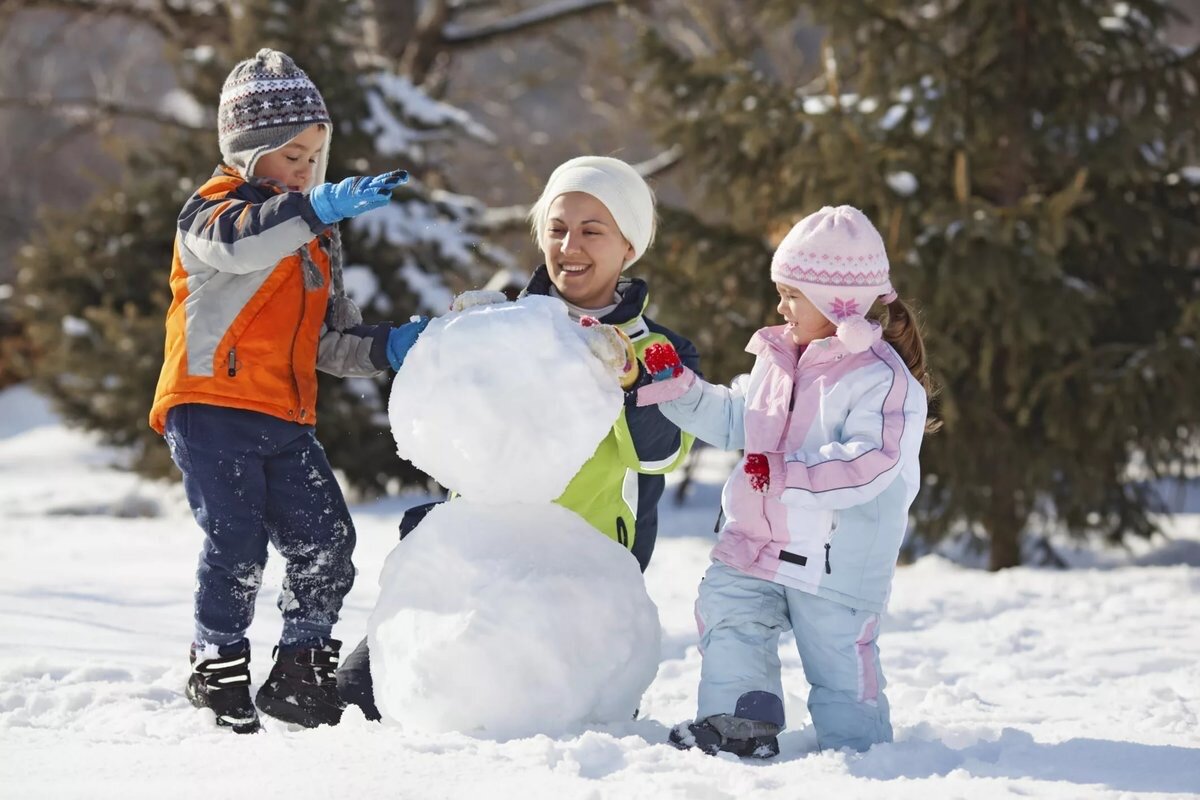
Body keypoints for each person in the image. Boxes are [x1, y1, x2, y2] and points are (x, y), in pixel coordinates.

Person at [336, 155, 701, 721]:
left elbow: (661, 455)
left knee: (546, 718)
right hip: (477, 560)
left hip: (580, 573)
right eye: (556, 230)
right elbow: (445, 427)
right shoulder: (505, 323)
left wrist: (631, 380)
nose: (569, 246)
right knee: (361, 696)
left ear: (629, 246)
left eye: (591, 231)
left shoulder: (661, 350)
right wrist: (455, 346)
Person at [148, 49, 428, 734]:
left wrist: (395, 346)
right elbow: (243, 246)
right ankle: (217, 662)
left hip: (285, 414)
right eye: (289, 156)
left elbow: (331, 341)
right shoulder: (211, 213)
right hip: (211, 406)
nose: (305, 172)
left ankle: (302, 667)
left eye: (314, 159)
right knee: (237, 542)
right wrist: (316, 207)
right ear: (247, 154)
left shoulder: (314, 239)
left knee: (328, 541)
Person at [637, 205, 934, 757]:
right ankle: (738, 721)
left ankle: (865, 754)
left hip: (835, 565)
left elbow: (870, 462)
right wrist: (680, 388)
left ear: (836, 301)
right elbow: (735, 419)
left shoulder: (882, 382)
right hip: (757, 543)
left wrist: (784, 474)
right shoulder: (778, 358)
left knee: (839, 668)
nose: (781, 306)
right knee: (729, 617)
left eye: (792, 294)